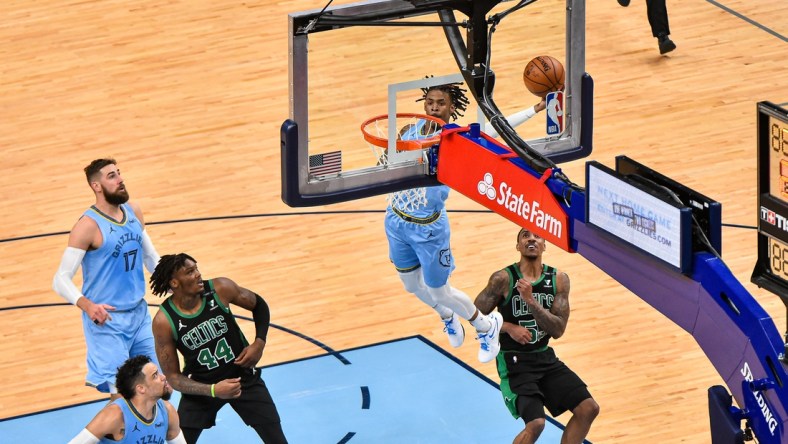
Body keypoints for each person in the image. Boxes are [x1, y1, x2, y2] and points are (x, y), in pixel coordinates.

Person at [385, 80, 545, 363]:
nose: (434, 107)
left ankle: (485, 326)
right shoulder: (407, 131)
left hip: (429, 229)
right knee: (411, 286)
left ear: (452, 108)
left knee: (440, 290)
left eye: (441, 103)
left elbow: (501, 129)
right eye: (430, 101)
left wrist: (534, 109)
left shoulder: (458, 139)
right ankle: (446, 314)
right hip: (396, 221)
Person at [474, 228, 599, 444]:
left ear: (544, 245)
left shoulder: (559, 280)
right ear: (518, 246)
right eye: (525, 236)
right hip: (514, 363)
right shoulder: (503, 278)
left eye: (537, 236)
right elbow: (474, 314)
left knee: (588, 408)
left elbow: (558, 330)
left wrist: (531, 301)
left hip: (544, 358)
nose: (531, 239)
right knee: (536, 423)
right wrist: (509, 327)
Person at [53, 158, 162, 399]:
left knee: (156, 390)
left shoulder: (133, 211)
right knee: (123, 397)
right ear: (96, 186)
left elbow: (151, 257)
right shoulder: (87, 226)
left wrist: (176, 285)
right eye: (111, 176)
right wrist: (88, 305)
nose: (120, 179)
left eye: (119, 173)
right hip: (107, 322)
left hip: (139, 315)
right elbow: (60, 279)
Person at [150, 253, 287, 444]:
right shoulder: (163, 322)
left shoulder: (220, 288)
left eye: (196, 268)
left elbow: (259, 305)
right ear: (174, 282)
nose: (198, 274)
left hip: (243, 379)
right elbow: (173, 377)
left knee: (277, 441)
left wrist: (259, 343)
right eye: (190, 272)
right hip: (202, 387)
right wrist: (213, 390)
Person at [67, 355, 185, 444]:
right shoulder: (114, 416)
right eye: (155, 375)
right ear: (141, 388)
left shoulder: (167, 411)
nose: (163, 377)